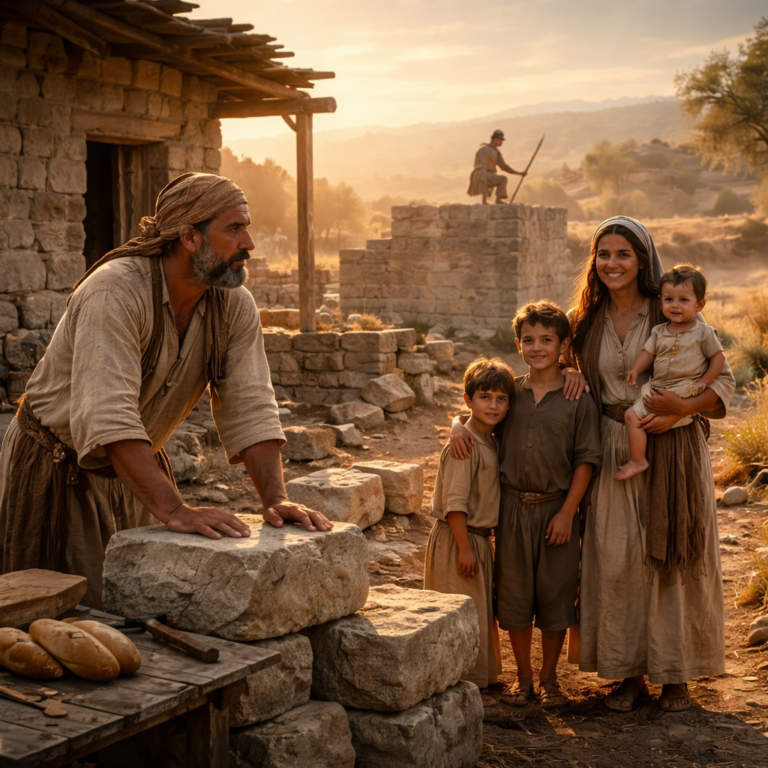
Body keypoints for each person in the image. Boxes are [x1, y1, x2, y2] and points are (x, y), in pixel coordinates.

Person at [0, 172, 331, 608]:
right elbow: (109, 417)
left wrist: (276, 498)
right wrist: (175, 510)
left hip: (136, 472)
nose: (249, 242)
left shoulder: (232, 305)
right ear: (189, 237)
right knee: (63, 615)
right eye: (234, 228)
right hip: (58, 470)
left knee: (138, 608)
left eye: (246, 227)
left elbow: (250, 405)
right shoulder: (113, 292)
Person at [566, 216, 735, 713]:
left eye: (623, 254)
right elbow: (557, 372)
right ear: (594, 263)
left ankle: (676, 675)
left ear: (643, 260)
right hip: (611, 450)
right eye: (603, 254)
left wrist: (682, 408)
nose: (612, 263)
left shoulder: (671, 312)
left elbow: (720, 383)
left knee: (672, 557)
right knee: (616, 559)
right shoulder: (585, 322)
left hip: (674, 449)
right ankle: (630, 675)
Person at [449, 302, 602, 709]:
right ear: (518, 344)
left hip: (558, 511)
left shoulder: (577, 396)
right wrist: (453, 425)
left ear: (563, 344)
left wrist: (569, 512)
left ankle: (550, 679)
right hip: (512, 511)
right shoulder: (510, 392)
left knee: (556, 595)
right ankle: (524, 678)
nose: (537, 348)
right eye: (529, 340)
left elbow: (587, 459)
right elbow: (477, 415)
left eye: (547, 340)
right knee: (513, 597)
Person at [424, 357, 514, 707]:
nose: (493, 405)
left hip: (476, 538)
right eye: (485, 397)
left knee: (479, 611)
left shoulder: (489, 439)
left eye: (501, 399)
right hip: (458, 537)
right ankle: (465, 685)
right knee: (461, 613)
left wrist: (457, 422)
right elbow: (455, 504)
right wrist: (464, 548)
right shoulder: (464, 446)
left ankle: (483, 678)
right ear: (468, 400)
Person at [618, 264, 726, 480]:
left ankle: (673, 419)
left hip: (687, 388)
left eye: (683, 300)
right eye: (669, 300)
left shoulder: (703, 333)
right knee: (631, 416)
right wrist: (635, 370)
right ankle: (638, 460)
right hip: (659, 388)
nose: (675, 306)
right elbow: (648, 354)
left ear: (700, 304)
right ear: (660, 302)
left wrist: (704, 382)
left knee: (665, 415)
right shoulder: (659, 331)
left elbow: (718, 359)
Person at [467, 129, 527, 204]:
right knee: (503, 179)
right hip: (482, 174)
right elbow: (480, 165)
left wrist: (519, 173)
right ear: (496, 139)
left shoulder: (496, 152)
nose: (501, 142)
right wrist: (519, 173)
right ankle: (497, 200)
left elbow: (504, 166)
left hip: (486, 174)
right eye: (500, 139)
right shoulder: (484, 148)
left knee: (501, 179)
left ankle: (495, 200)